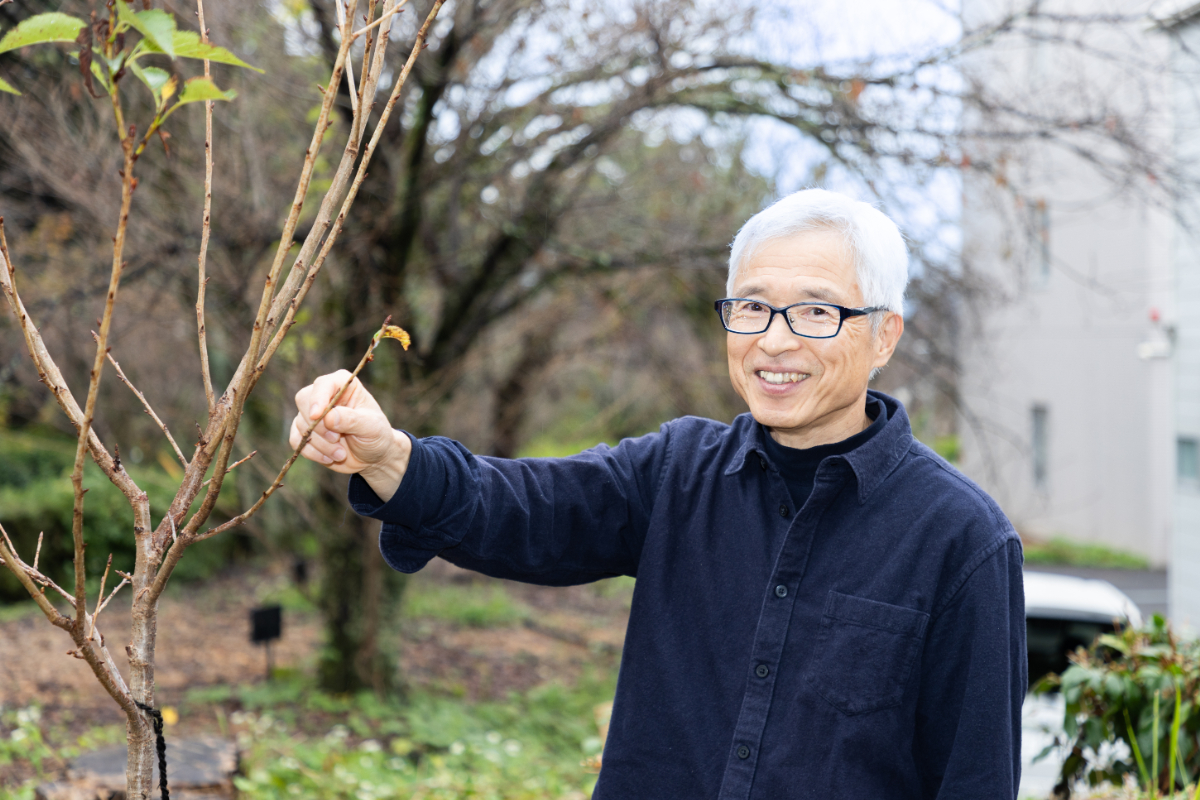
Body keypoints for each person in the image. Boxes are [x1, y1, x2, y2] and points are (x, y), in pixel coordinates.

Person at [291, 188, 1026, 799]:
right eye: (752, 306)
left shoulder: (961, 539)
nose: (774, 340)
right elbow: (525, 507)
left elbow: (976, 778)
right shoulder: (678, 472)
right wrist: (389, 458)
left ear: (884, 336)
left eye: (815, 311)